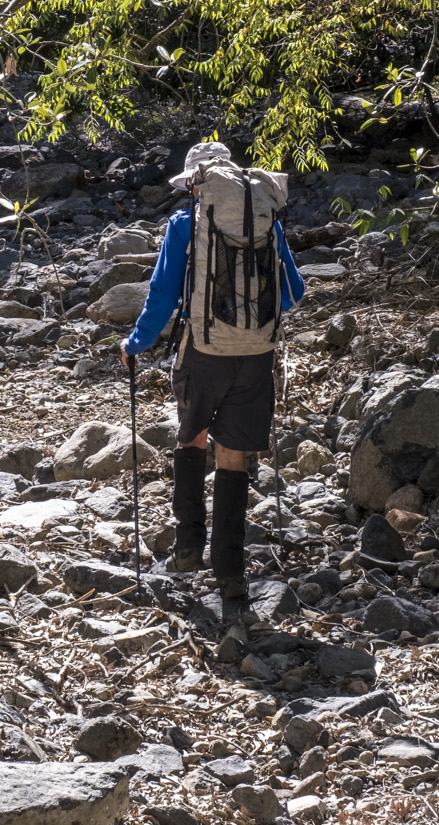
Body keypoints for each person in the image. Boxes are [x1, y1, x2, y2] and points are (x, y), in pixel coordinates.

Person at [121, 141, 305, 608]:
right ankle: (231, 575)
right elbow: (292, 292)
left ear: (195, 184)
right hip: (256, 356)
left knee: (192, 437)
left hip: (203, 352)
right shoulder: (267, 223)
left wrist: (135, 343)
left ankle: (187, 551)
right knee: (234, 457)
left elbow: (162, 294)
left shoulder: (186, 224)